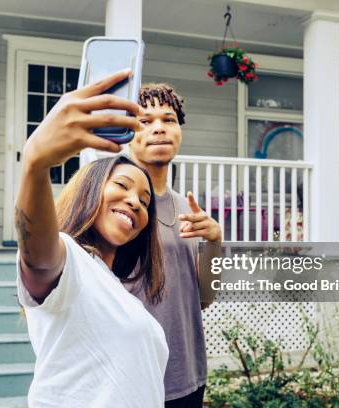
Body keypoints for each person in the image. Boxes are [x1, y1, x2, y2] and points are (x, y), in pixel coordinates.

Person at [15, 70, 168, 408]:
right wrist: (35, 164)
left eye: (145, 201)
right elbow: (36, 255)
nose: (135, 202)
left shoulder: (117, 289)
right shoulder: (68, 262)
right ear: (89, 191)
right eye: (123, 186)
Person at [128, 83, 222, 407]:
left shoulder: (188, 209)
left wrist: (214, 242)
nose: (158, 128)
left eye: (168, 119)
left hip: (189, 376)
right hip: (134, 381)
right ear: (128, 131)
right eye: (145, 120)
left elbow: (205, 298)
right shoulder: (114, 207)